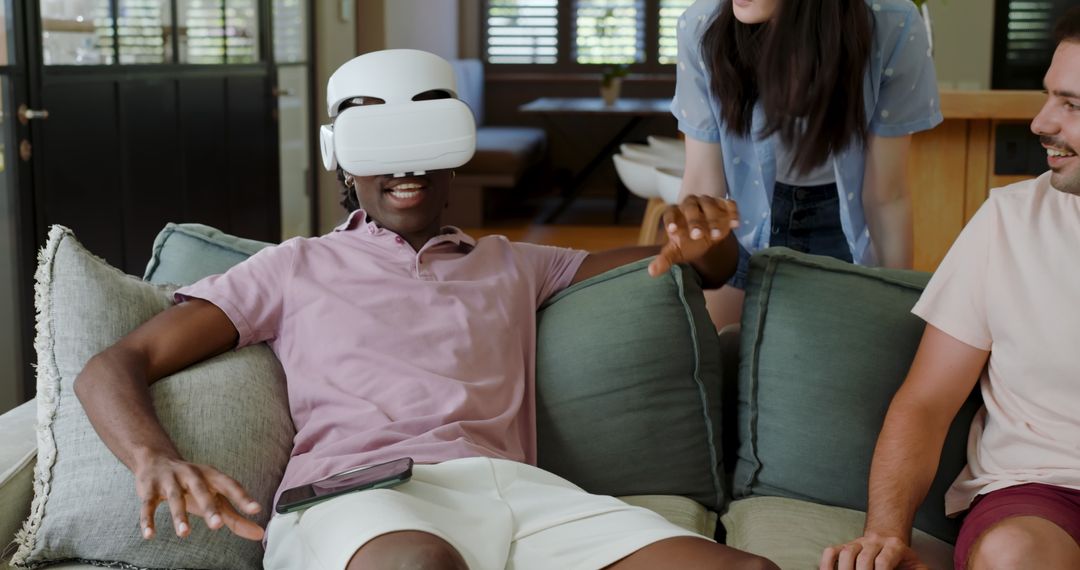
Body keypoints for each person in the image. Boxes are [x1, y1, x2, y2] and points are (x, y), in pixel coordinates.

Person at [73, 49, 778, 570]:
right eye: (379, 140)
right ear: (342, 159)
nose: (404, 167)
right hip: (361, 500)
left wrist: (709, 241)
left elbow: (682, 266)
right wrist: (153, 458)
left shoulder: (515, 261)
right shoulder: (295, 266)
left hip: (521, 494)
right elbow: (116, 364)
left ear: (453, 149)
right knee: (421, 567)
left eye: (420, 138)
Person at [820, 9, 1080, 570]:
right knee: (1013, 555)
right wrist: (885, 534)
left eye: (1072, 105)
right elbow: (926, 401)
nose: (1040, 122)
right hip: (1042, 497)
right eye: (1049, 96)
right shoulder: (1008, 221)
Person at [672, 0, 942, 328]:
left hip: (843, 225)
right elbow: (703, 185)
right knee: (719, 354)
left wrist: (901, 314)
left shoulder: (891, 25)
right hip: (743, 222)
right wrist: (685, 263)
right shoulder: (702, 25)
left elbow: (886, 197)